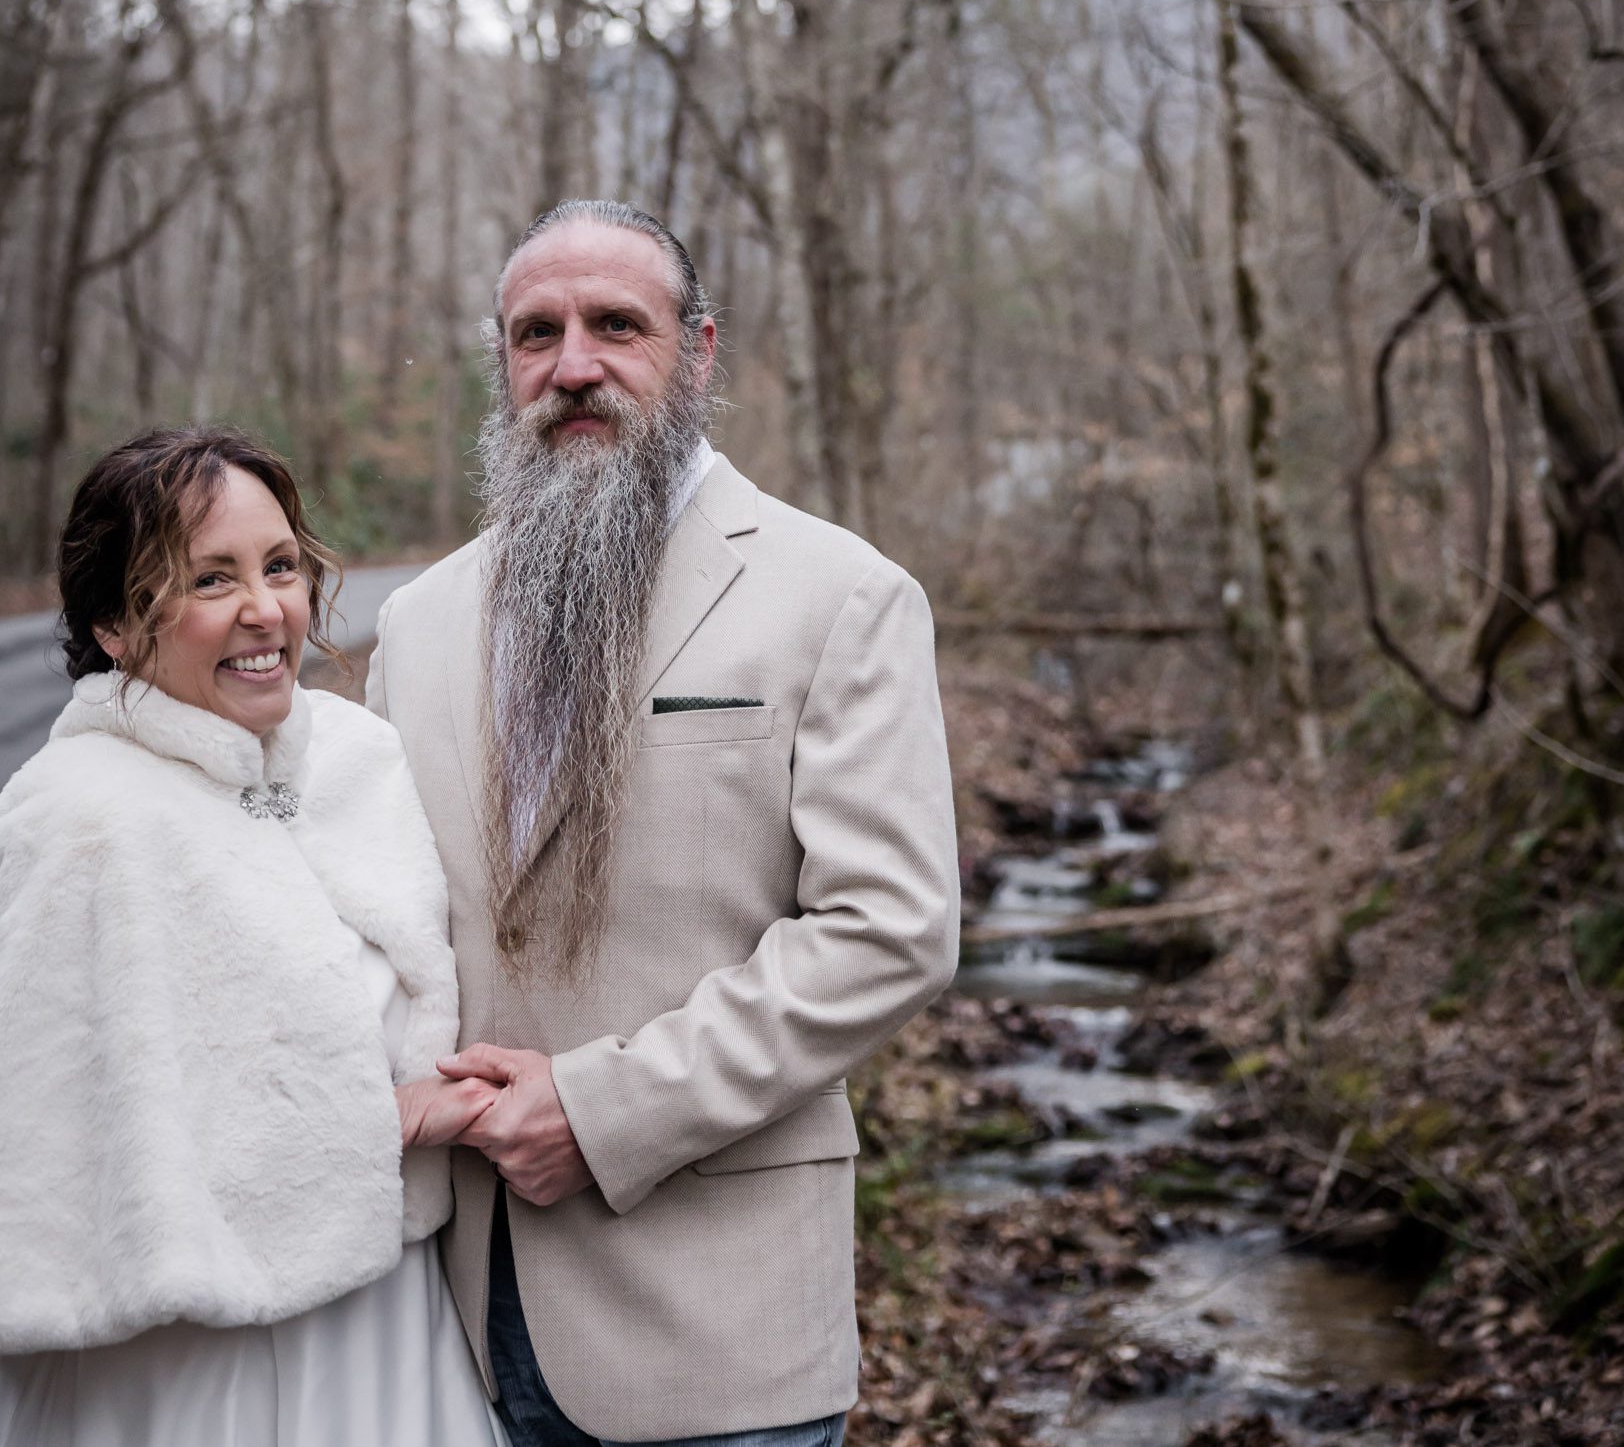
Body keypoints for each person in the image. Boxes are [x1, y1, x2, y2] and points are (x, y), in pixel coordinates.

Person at [369, 198, 961, 1447]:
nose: (572, 364)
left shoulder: (841, 595)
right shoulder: (417, 624)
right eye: (536, 332)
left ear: (696, 351)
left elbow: (887, 931)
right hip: (445, 1322)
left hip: (716, 1330)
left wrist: (600, 1112)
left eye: (615, 325)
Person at [0, 427, 503, 1447]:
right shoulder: (78, 820)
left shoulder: (357, 757)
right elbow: (60, 1148)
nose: (266, 609)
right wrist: (386, 1123)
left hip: (389, 1326)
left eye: (279, 566)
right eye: (209, 579)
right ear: (114, 625)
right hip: (189, 1364)